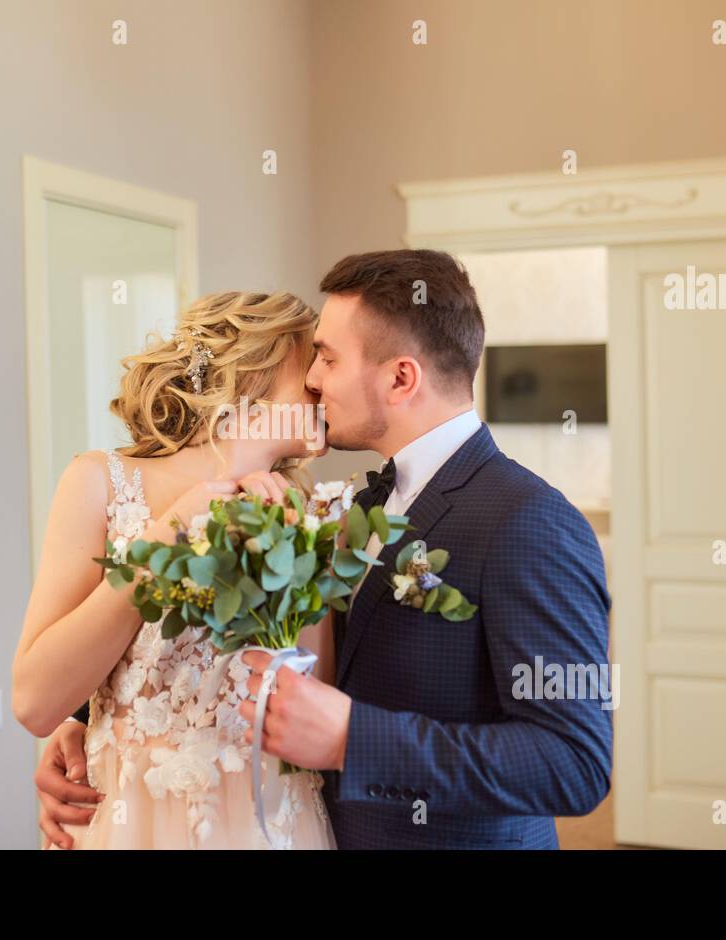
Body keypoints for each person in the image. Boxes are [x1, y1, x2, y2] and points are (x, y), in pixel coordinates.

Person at [35, 249, 613, 850]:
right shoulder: (350, 506)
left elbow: (574, 763)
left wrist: (351, 739)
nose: (312, 378)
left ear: (400, 378)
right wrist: (95, 727)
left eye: (328, 359)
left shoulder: (532, 522)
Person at [12, 290, 336, 849]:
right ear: (250, 379)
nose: (325, 380)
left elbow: (315, 702)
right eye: (315, 360)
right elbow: (35, 701)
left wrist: (291, 560)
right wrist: (166, 539)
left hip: (271, 825)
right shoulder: (101, 484)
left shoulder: (308, 512)